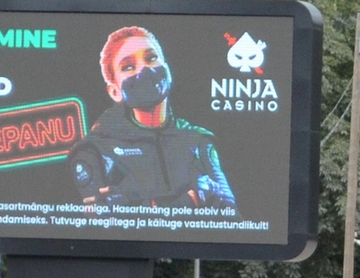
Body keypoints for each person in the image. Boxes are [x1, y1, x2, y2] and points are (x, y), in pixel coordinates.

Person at [67, 25, 235, 209]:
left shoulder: (199, 141)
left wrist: (143, 204)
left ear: (167, 68)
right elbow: (102, 221)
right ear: (114, 91)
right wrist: (191, 200)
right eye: (129, 66)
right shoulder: (96, 149)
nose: (144, 70)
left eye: (151, 58)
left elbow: (230, 217)